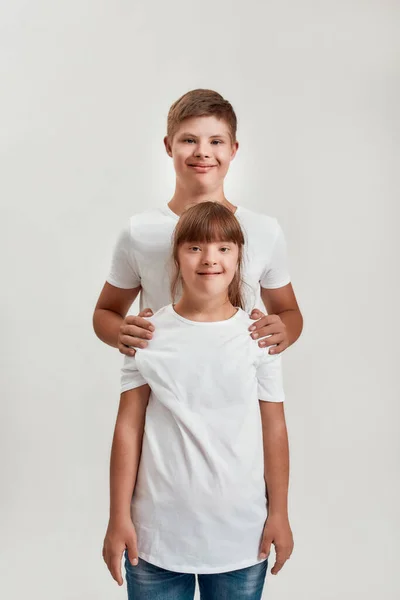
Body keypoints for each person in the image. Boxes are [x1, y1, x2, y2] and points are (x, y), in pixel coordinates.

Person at [102, 202, 294, 600]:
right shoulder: (147, 334)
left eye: (224, 248)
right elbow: (128, 426)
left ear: (240, 257)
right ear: (176, 257)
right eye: (195, 248)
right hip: (155, 536)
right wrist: (118, 516)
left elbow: (274, 426)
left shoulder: (259, 337)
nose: (210, 259)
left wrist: (280, 513)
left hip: (241, 536)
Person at [93, 88, 303, 360]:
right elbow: (105, 312)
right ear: (169, 146)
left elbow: (289, 312)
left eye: (216, 142)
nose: (203, 152)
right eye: (189, 140)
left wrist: (284, 330)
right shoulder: (139, 231)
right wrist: (121, 331)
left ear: (233, 149)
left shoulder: (264, 230)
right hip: (162, 389)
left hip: (235, 388)